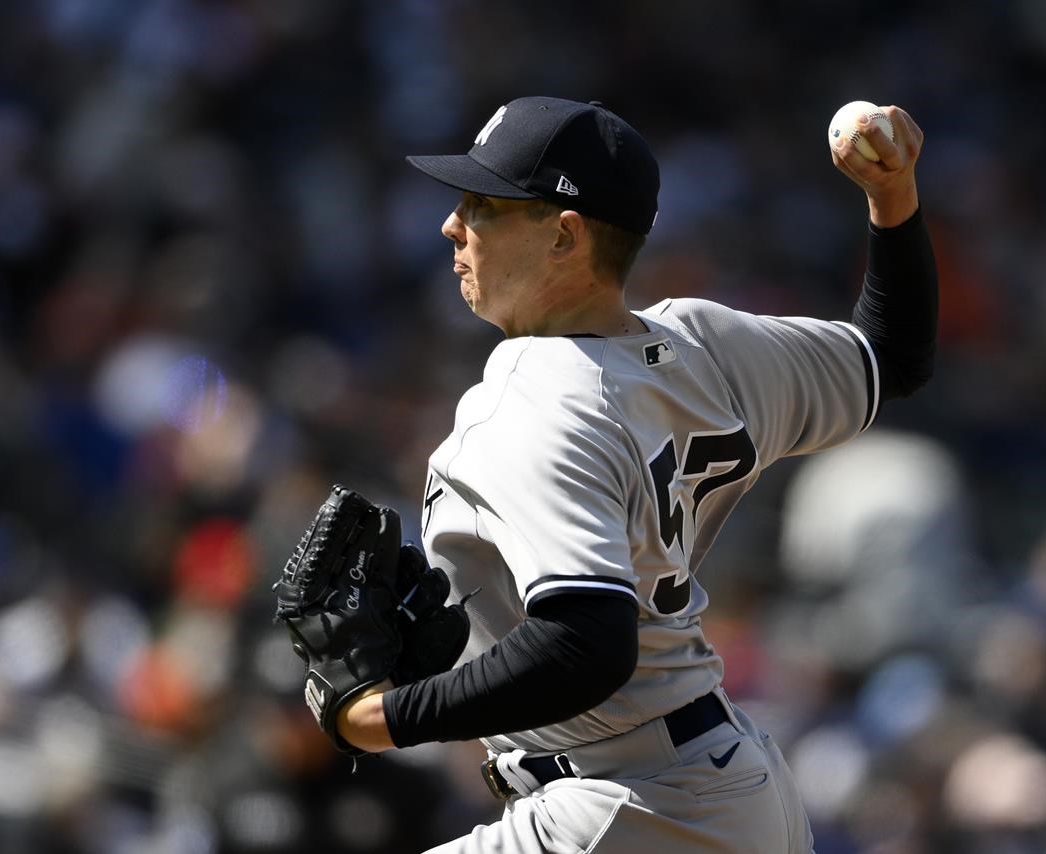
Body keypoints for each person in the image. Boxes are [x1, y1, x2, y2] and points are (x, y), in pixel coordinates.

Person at [334, 95, 936, 853]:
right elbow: (893, 353)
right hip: (726, 791)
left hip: (636, 802)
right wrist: (893, 195)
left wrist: (377, 718)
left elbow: (586, 642)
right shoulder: (704, 345)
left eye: (484, 205)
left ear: (563, 235)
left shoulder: (533, 391)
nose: (453, 225)